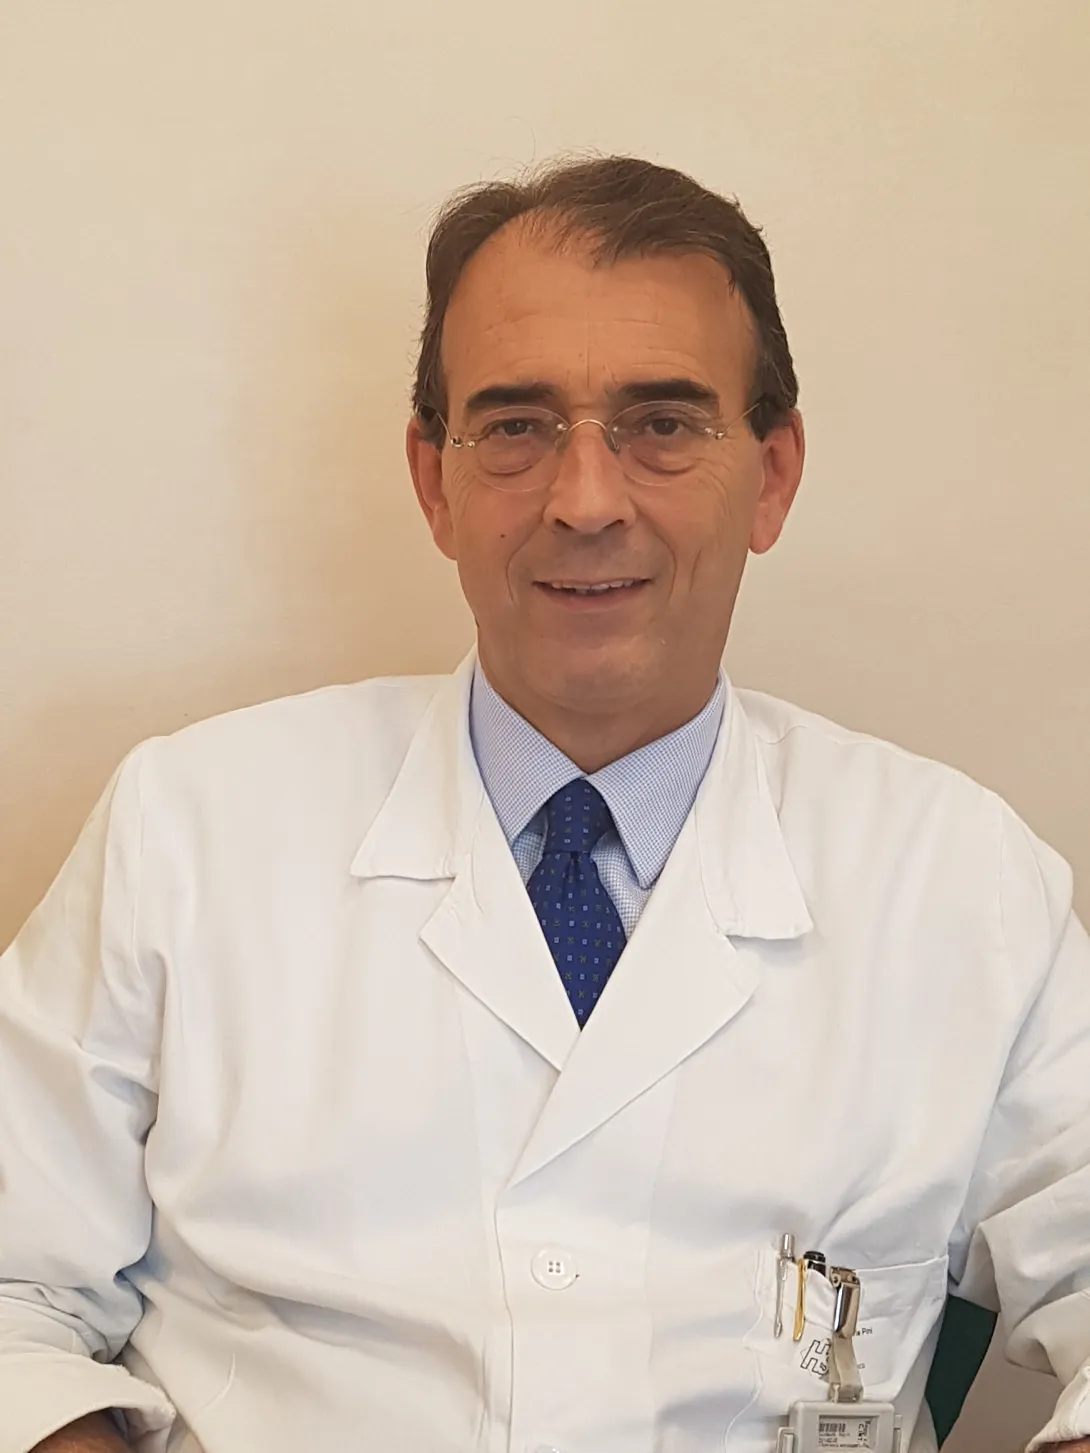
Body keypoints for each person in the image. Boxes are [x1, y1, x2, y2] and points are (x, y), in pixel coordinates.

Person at [0, 154, 1087, 1453]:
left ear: (773, 473)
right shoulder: (189, 830)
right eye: (515, 426)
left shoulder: (961, 882)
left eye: (662, 424)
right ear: (433, 479)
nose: (585, 501)